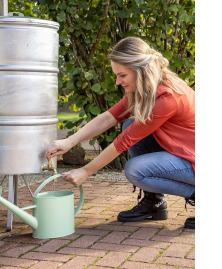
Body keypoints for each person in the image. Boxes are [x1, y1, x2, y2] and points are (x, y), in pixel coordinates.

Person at [46, 37, 195, 229]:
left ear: (140, 70)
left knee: (135, 170)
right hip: (184, 152)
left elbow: (123, 142)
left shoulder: (167, 97)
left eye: (122, 75)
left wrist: (86, 171)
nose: (118, 82)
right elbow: (110, 117)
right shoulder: (148, 87)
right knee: (129, 122)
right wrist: (69, 142)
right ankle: (154, 202)